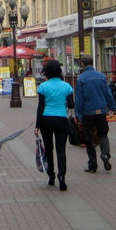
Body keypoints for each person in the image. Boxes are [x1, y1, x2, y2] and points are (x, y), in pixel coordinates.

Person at [34, 59, 74, 191]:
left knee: (49, 148)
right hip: (62, 119)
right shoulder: (67, 86)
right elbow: (71, 105)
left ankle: (51, 175)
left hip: (46, 119)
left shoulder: (43, 87)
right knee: (61, 150)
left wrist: (37, 126)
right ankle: (62, 176)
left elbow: (40, 107)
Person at [74, 55, 116, 173]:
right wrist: (112, 106)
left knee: (89, 137)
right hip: (101, 110)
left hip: (88, 111)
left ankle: (92, 164)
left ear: (82, 64)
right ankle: (105, 154)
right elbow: (108, 93)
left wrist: (79, 114)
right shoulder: (101, 77)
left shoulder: (81, 79)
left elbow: (79, 99)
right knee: (103, 133)